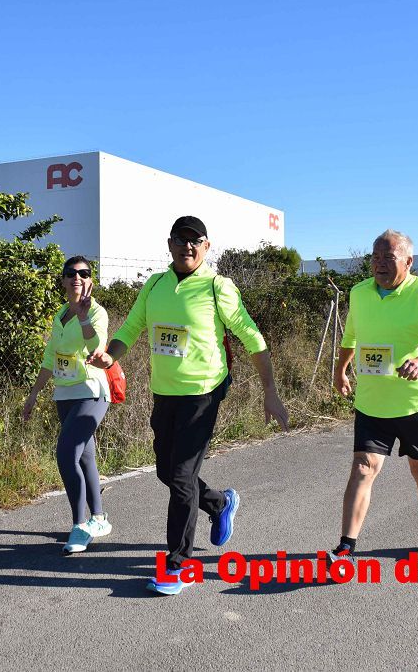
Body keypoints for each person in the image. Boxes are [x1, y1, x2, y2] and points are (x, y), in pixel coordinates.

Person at [87, 216, 289, 595]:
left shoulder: (217, 287)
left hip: (203, 393)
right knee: (166, 470)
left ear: (207, 247)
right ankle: (219, 504)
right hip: (165, 393)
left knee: (180, 478)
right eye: (182, 240)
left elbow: (252, 337)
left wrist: (270, 391)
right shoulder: (156, 284)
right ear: (170, 244)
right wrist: (109, 357)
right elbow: (130, 329)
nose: (188, 247)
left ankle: (178, 564)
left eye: (196, 242)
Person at [330, 229, 418, 563]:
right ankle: (345, 548)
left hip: (415, 402)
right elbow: (351, 335)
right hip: (372, 401)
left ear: (409, 261)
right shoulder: (359, 293)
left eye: (388, 257)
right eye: (375, 257)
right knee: (362, 468)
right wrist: (340, 369)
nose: (380, 264)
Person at [23, 256, 113, 555]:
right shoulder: (60, 314)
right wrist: (34, 393)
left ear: (91, 280)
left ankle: (80, 525)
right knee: (85, 457)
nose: (77, 277)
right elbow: (51, 358)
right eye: (71, 273)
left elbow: (96, 348)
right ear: (62, 280)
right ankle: (99, 519)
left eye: (84, 273)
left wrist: (84, 317)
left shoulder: (97, 312)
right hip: (64, 393)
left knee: (66, 453)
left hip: (91, 391)